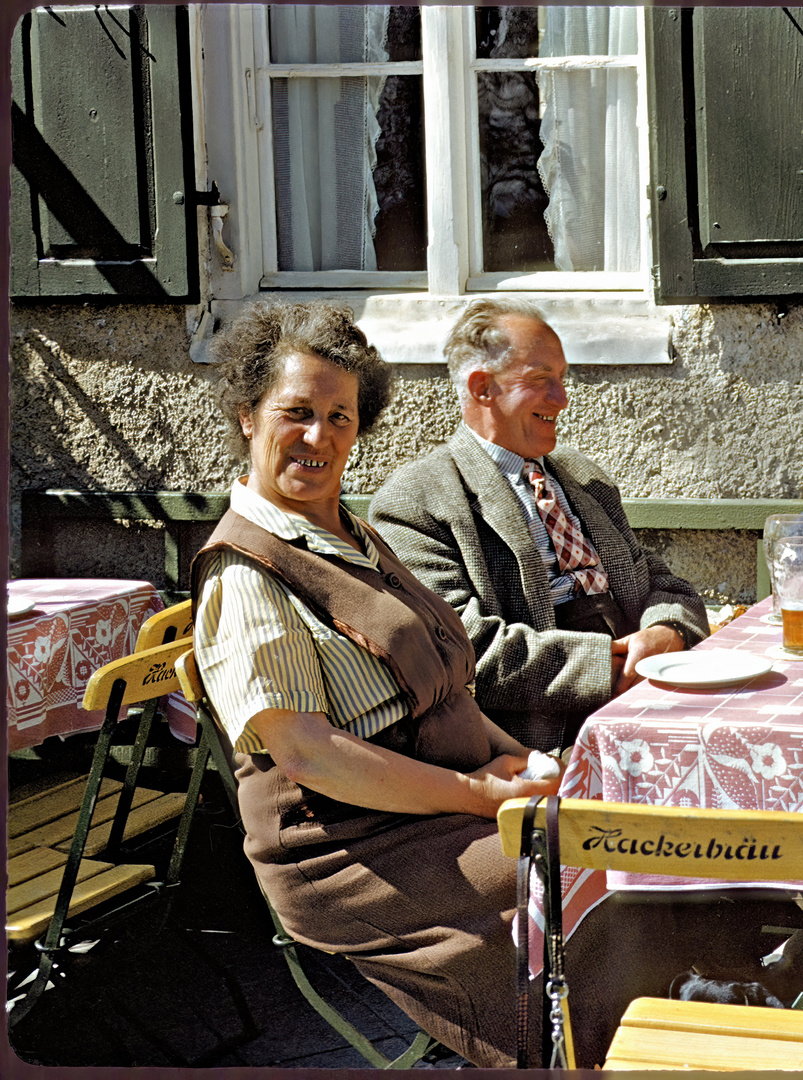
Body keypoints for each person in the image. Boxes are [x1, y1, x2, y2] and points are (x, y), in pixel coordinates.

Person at [191, 301, 561, 1068]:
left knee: (610, 839)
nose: (319, 437)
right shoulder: (247, 568)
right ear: (248, 418)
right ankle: (572, 1050)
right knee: (579, 873)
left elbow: (449, 687)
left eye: (340, 416)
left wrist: (515, 759)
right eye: (296, 413)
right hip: (349, 854)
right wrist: (475, 795)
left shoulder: (351, 535)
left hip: (435, 805)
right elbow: (307, 755)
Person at [369, 299, 709, 751]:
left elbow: (659, 580)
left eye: (561, 378)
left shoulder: (580, 476)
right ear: (482, 387)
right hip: (549, 738)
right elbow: (462, 648)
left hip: (650, 692)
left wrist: (670, 631)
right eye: (540, 380)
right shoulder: (417, 498)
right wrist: (610, 668)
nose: (562, 399)